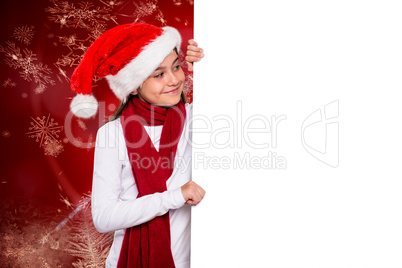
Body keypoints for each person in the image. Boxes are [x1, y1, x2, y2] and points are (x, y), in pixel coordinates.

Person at [69, 23, 205, 268]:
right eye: (158, 74)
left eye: (176, 66)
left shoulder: (196, 121)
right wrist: (175, 197)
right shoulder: (112, 134)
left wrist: (208, 71)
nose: (174, 80)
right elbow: (104, 217)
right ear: (133, 86)